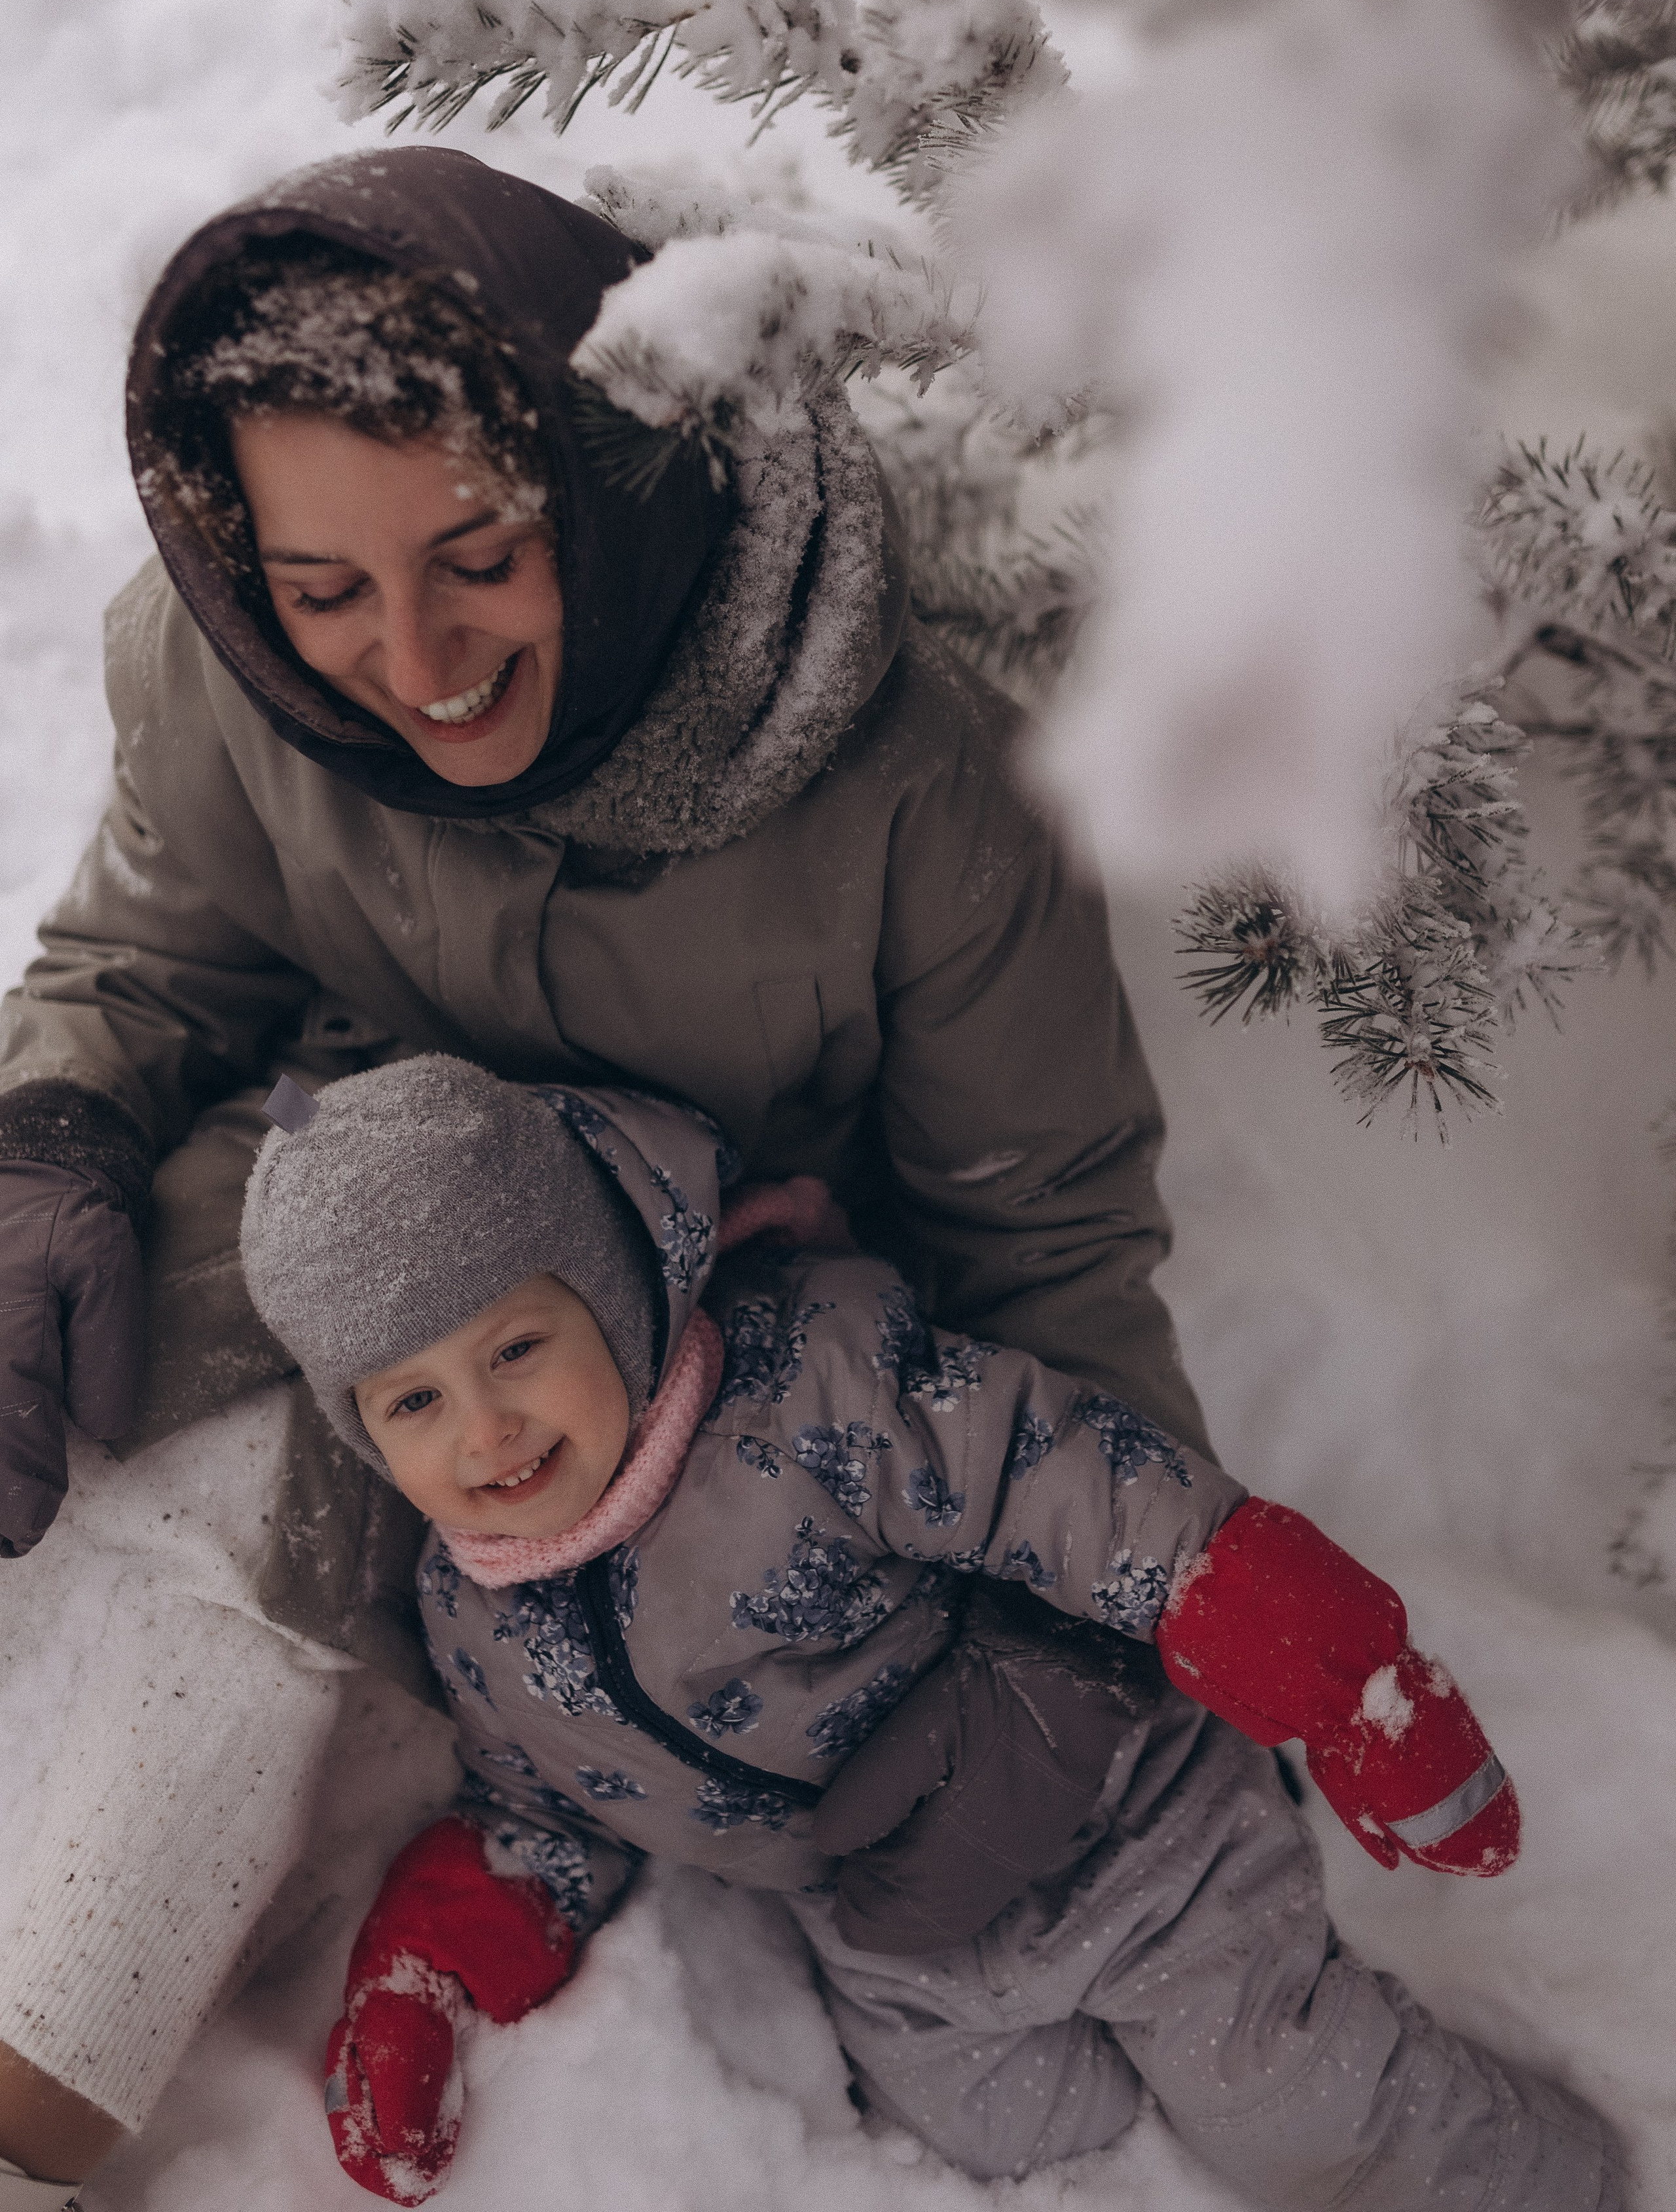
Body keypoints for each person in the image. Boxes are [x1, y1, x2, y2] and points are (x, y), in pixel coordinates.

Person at [0, 142, 1210, 2205]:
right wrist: (51, 1132)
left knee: (247, 1572)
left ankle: (42, 2086)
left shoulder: (910, 797)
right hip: (333, 1206)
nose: (415, 654)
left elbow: (1048, 1225)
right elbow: (145, 957)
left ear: (607, 468)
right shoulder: (231, 671)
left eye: (479, 552)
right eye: (324, 594)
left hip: (653, 1386)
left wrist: (1110, 1627)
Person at [237, 1055, 1614, 2212]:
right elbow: (540, 1804)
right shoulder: (473, 1619)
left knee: (1280, 2094)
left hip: (1120, 1818)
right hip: (900, 1948)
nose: (486, 1431)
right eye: (411, 1405)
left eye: (515, 1349)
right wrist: (431, 1973)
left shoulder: (803, 1397)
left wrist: (1320, 1663)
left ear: (606, 1293)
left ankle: (1550, 2180)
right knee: (1022, 2153)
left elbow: (1062, 1477)